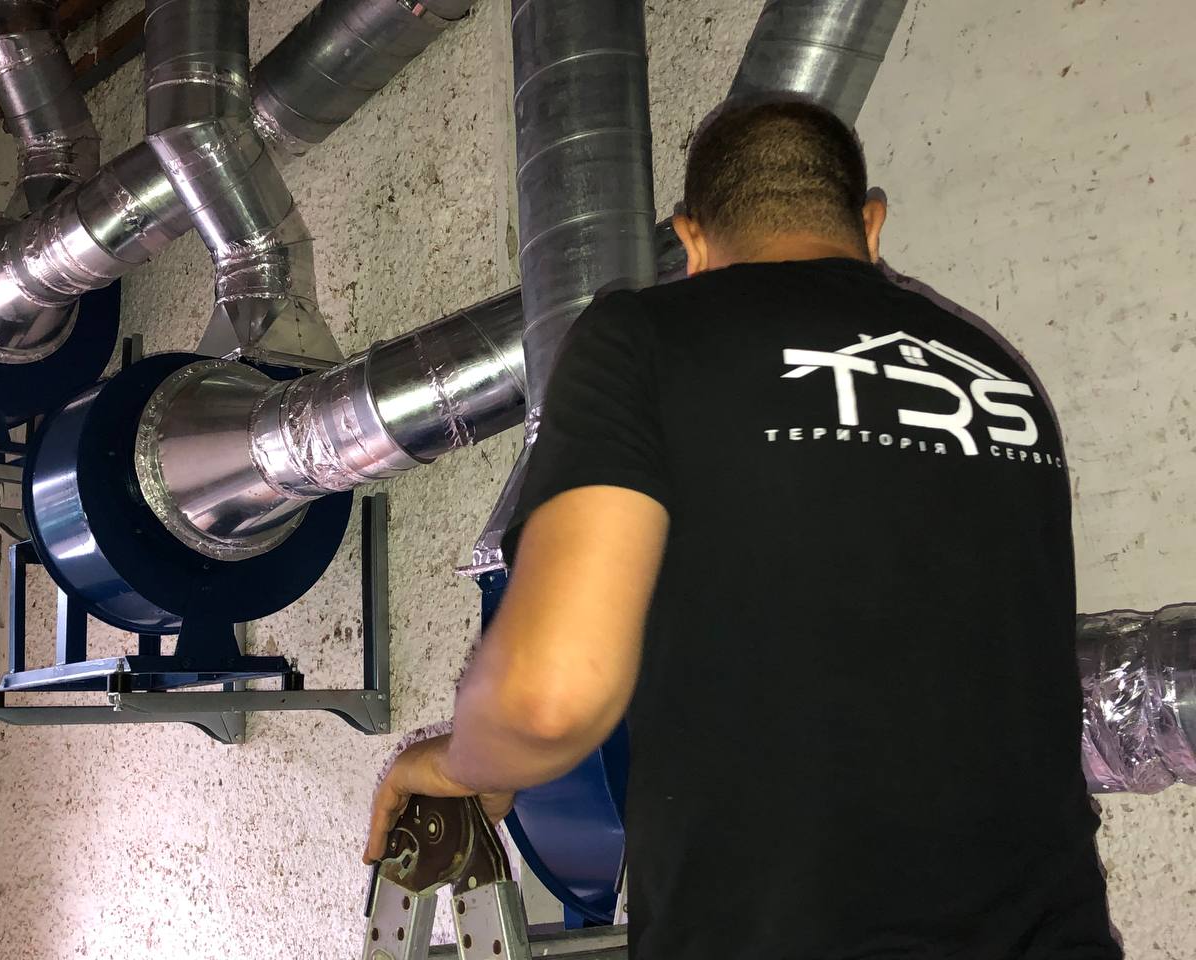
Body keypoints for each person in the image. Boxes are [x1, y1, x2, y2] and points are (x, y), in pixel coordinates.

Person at [365, 99, 1121, 959]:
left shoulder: (643, 336)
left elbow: (548, 700)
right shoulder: (998, 374)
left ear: (691, 243)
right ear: (871, 225)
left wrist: (462, 763)